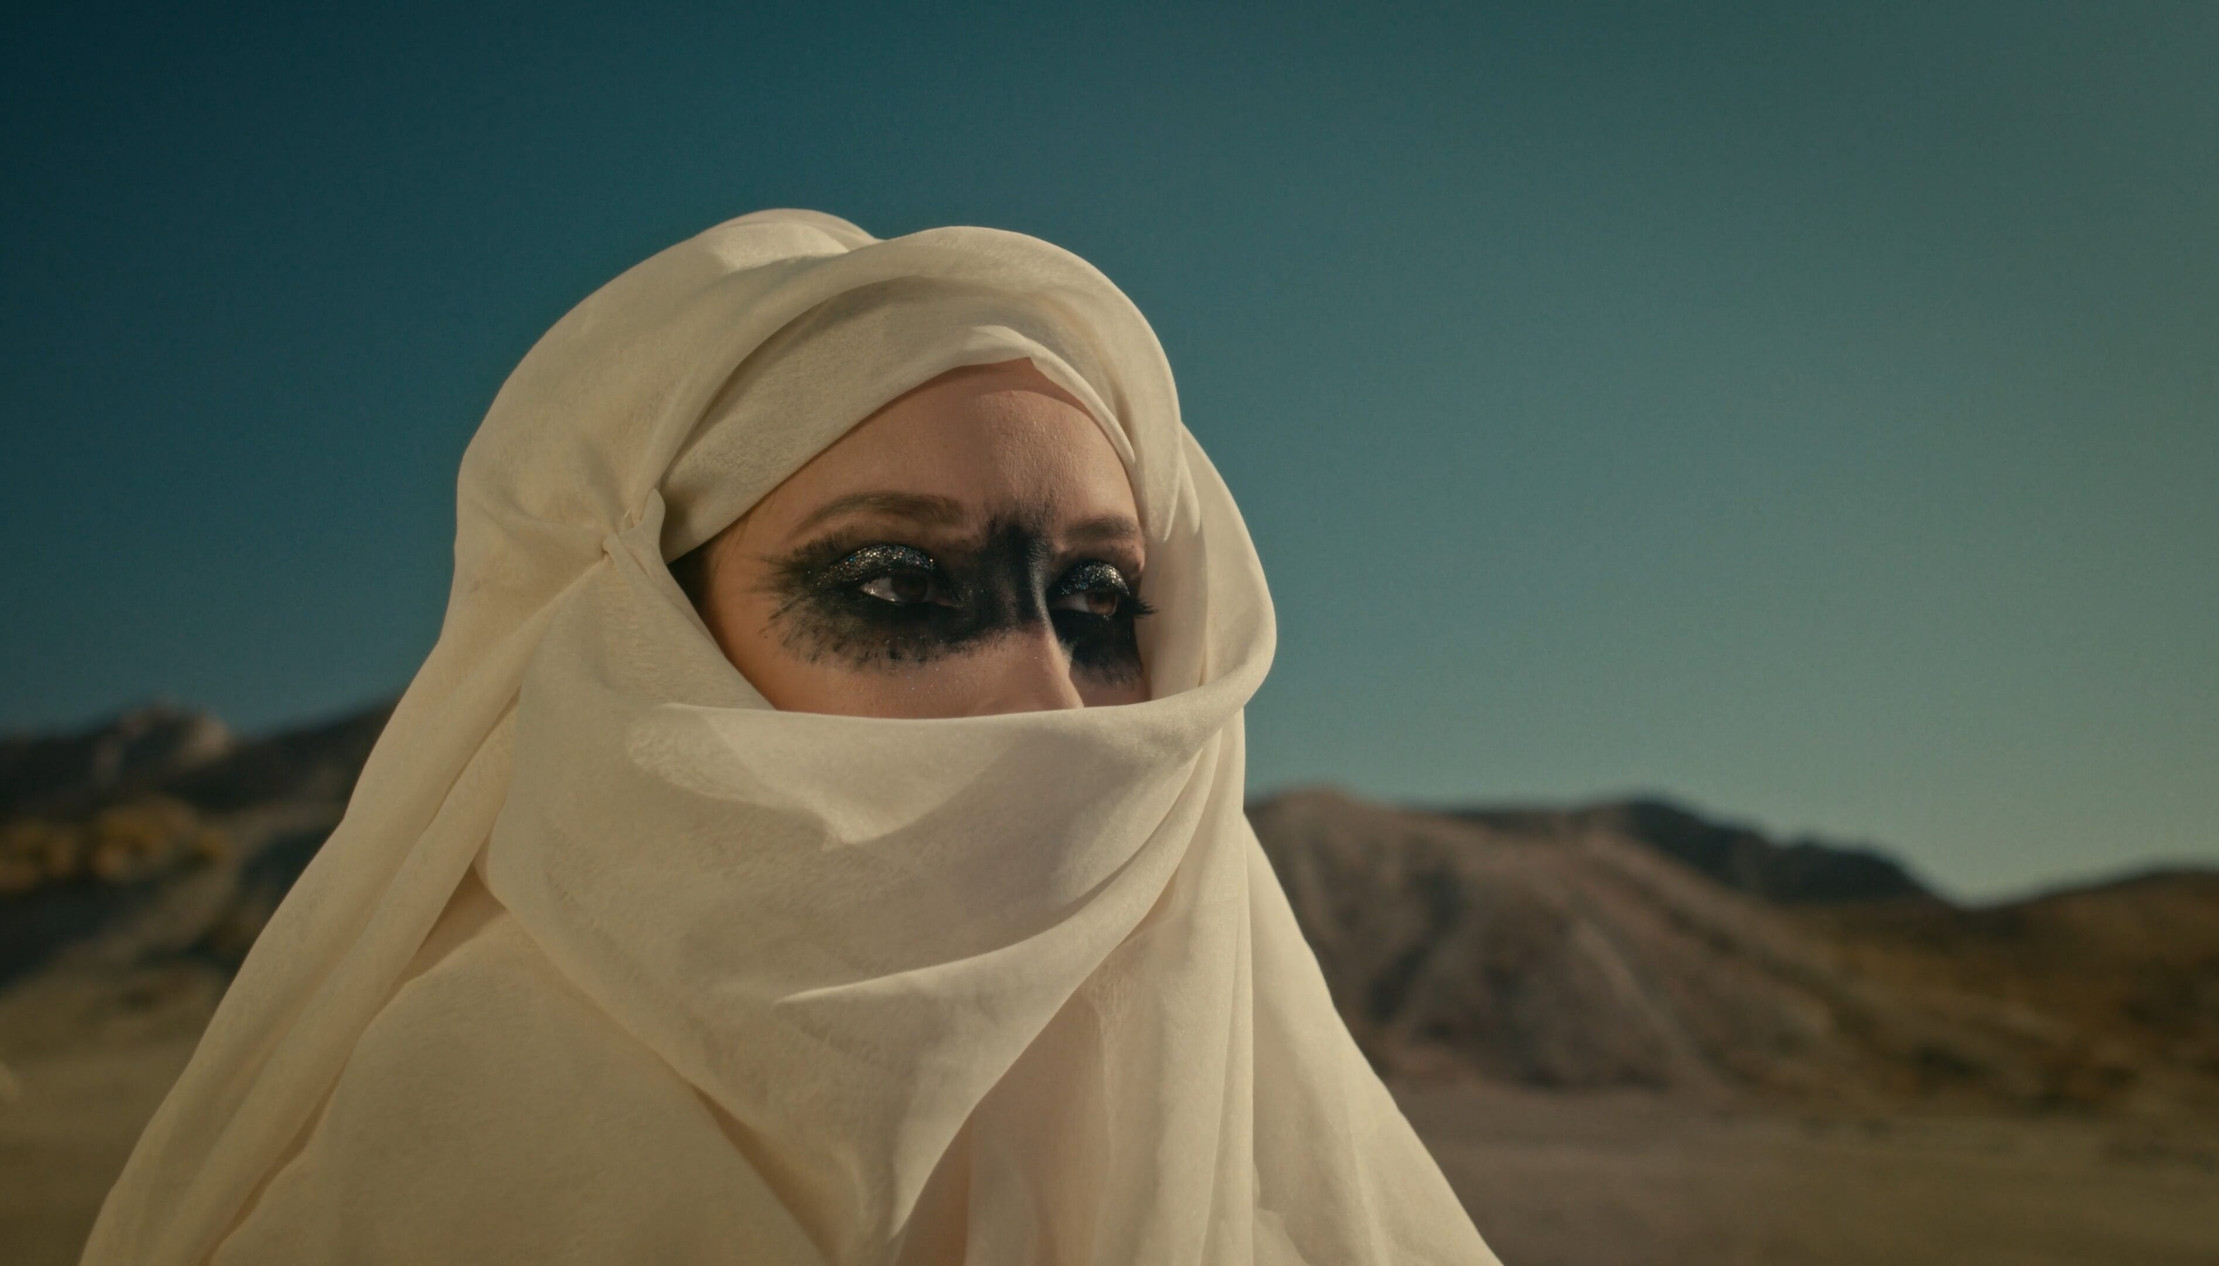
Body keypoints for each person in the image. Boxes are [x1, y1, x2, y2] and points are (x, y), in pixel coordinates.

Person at [82, 210, 1501, 1264]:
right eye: (894, 585)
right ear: (656, 644)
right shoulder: (419, 1182)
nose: (1050, 698)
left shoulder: (1272, 1150)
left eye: (1097, 604)